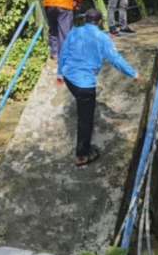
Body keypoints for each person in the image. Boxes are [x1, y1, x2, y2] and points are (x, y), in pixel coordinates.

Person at [58, 9, 141, 167]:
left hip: (69, 78)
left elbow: (63, 53)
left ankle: (83, 146)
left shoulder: (74, 32)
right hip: (85, 84)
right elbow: (115, 59)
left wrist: (60, 73)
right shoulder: (102, 37)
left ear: (86, 19)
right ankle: (82, 155)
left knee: (83, 107)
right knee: (85, 120)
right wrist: (133, 74)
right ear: (100, 21)